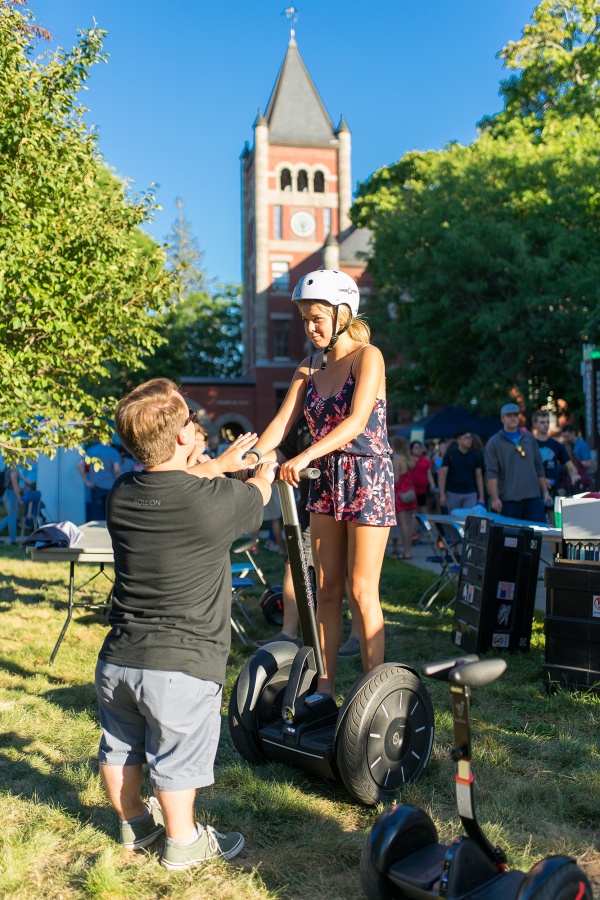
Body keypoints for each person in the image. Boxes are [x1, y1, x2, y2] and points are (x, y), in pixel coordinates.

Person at [94, 377, 275, 871]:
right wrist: (267, 465)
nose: (197, 429)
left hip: (119, 660)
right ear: (179, 439)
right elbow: (258, 494)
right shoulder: (215, 503)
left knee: (120, 747)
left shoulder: (122, 494)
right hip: (183, 665)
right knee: (176, 760)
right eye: (191, 423)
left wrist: (215, 465)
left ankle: (134, 824)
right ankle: (183, 842)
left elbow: (172, 482)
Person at [247, 269, 395, 699]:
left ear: (342, 313)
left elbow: (356, 422)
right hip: (327, 480)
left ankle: (374, 695)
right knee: (324, 588)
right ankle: (325, 691)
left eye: (317, 318)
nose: (309, 328)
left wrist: (306, 453)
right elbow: (278, 426)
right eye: (305, 320)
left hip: (367, 476)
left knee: (361, 588)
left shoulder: (369, 357)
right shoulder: (308, 368)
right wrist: (252, 458)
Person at [255, 412, 360, 656]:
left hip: (348, 504)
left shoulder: (347, 410)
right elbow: (284, 451)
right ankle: (288, 634)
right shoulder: (304, 418)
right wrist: (254, 459)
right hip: (310, 506)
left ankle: (356, 635)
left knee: (348, 573)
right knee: (294, 565)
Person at [485, 402, 549, 523]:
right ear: (502, 419)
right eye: (509, 415)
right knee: (512, 539)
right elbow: (491, 473)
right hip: (509, 500)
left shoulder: (529, 438)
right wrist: (494, 498)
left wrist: (545, 491)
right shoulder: (494, 442)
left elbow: (538, 466)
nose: (513, 418)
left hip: (533, 497)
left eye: (516, 414)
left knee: (538, 535)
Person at [532, 410, 581, 513]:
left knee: (555, 522)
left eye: (547, 422)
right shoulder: (529, 444)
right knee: (536, 524)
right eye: (542, 422)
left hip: (553, 488)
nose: (545, 425)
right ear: (535, 424)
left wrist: (573, 475)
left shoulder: (556, 445)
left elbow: (570, 466)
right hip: (534, 489)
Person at [437, 430, 485, 512]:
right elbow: (443, 475)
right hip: (453, 492)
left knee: (469, 519)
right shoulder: (450, 454)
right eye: (466, 438)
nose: (469, 440)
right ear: (458, 439)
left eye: (470, 438)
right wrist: (442, 494)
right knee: (454, 519)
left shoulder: (475, 455)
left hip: (470, 492)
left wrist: (481, 497)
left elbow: (479, 476)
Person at [77, 442, 122, 521]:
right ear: (110, 440)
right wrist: (120, 484)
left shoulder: (91, 450)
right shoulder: (113, 451)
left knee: (96, 514)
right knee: (111, 514)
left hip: (96, 486)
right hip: (111, 486)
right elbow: (117, 471)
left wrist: (87, 481)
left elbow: (79, 465)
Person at [391, 435, 417, 560]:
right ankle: (409, 550)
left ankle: (406, 552)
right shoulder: (408, 459)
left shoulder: (397, 460)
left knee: (403, 524)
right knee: (408, 522)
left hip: (400, 494)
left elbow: (395, 479)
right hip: (410, 493)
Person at [409, 440, 435, 512]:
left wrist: (432, 484)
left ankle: (425, 522)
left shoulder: (425, 460)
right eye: (416, 448)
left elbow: (429, 473)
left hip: (423, 489)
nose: (419, 449)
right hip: (411, 488)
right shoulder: (408, 460)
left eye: (420, 447)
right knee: (413, 508)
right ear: (411, 450)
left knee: (423, 506)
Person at [0, 461, 21, 544]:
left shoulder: (6, 469)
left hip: (6, 494)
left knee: (11, 516)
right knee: (12, 517)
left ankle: (13, 538)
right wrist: (19, 498)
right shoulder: (12, 471)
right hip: (11, 495)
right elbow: (15, 486)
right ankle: (13, 539)